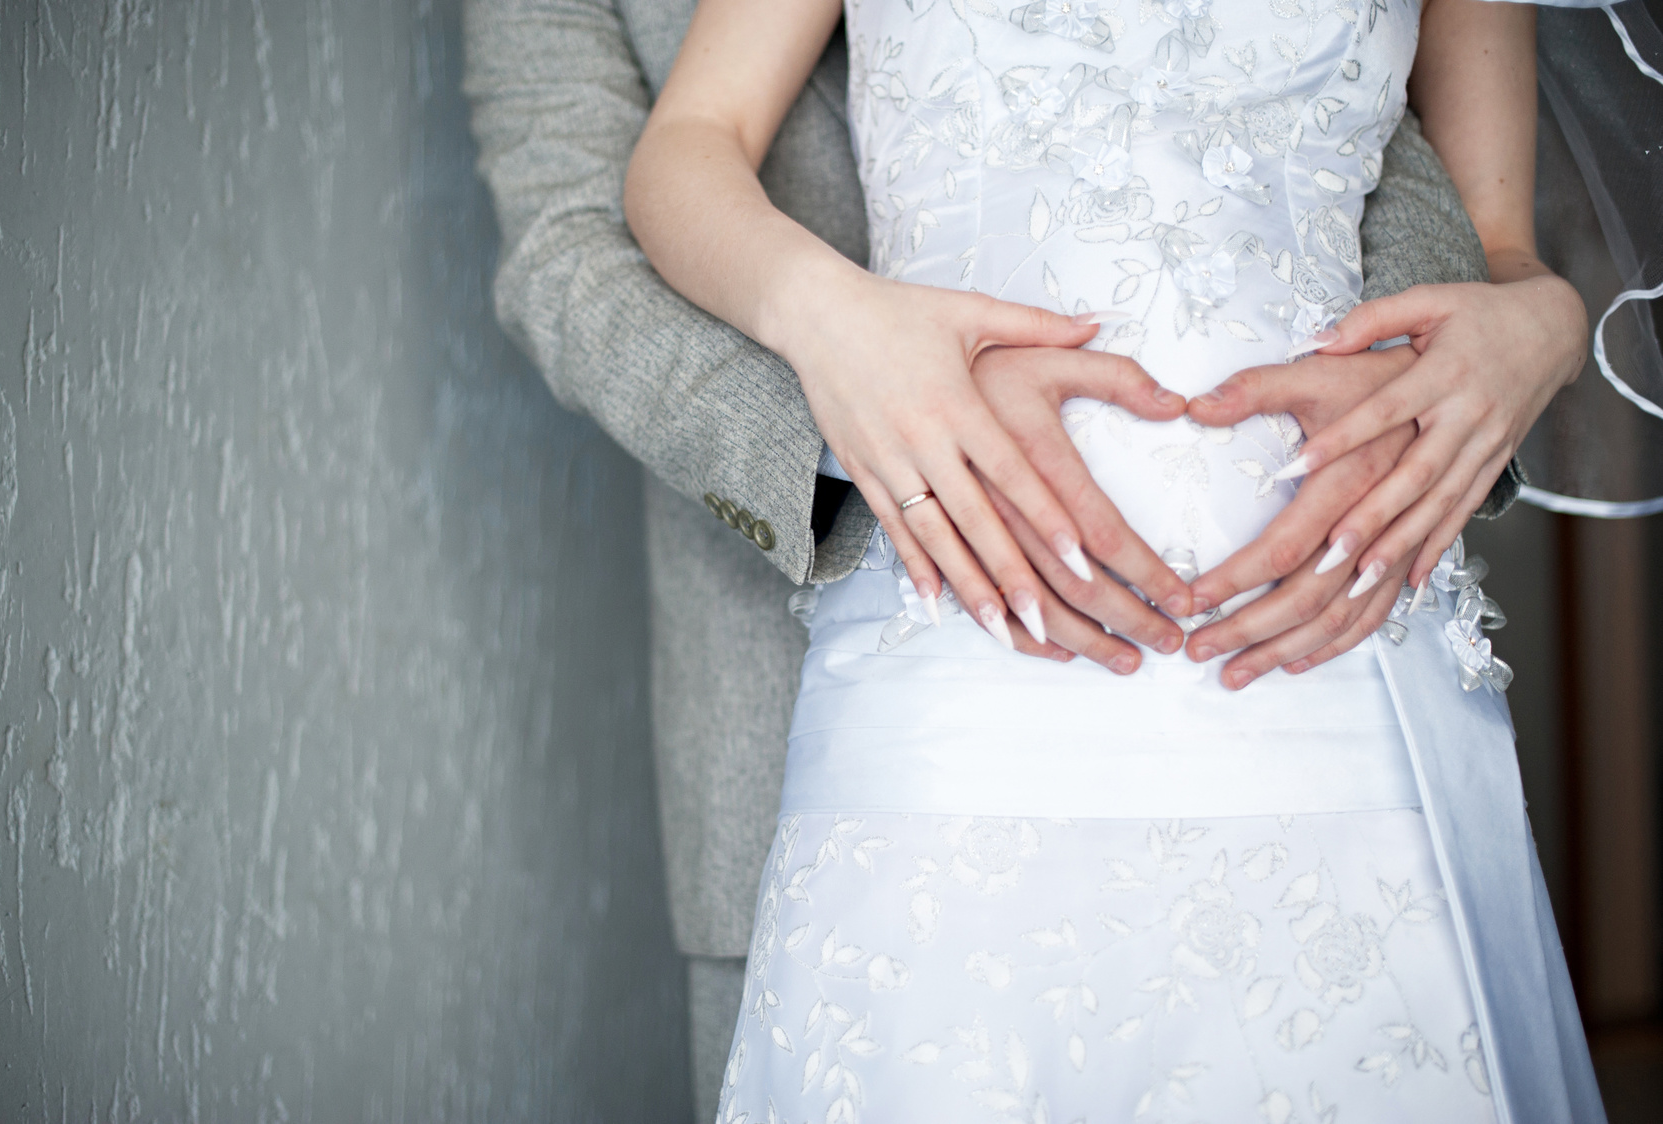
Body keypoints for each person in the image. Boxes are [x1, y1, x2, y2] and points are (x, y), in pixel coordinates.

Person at [462, 2, 1590, 1119]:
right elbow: (588, 238)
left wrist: (1535, 318)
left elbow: (1439, 200)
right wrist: (856, 367)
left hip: (1330, 627)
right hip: (941, 641)